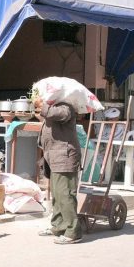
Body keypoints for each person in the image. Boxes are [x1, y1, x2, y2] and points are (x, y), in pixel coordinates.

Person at [34, 96, 82, 244]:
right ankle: (58, 226)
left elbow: (62, 115)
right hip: (54, 156)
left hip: (64, 156)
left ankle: (73, 231)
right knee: (57, 194)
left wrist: (43, 107)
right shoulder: (54, 107)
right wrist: (40, 111)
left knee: (65, 194)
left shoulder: (66, 105)